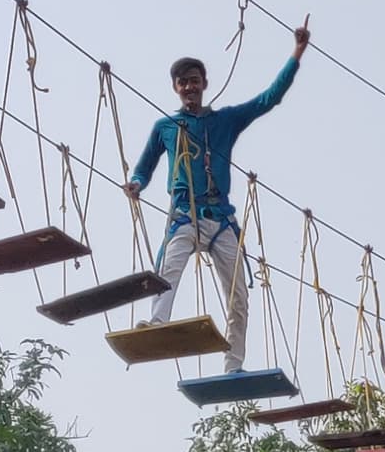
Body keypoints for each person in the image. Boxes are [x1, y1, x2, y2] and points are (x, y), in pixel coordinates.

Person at [123, 27, 307, 371]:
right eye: (183, 83)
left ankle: (233, 363)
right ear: (176, 89)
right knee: (168, 270)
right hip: (184, 215)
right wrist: (136, 184)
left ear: (205, 83)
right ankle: (157, 322)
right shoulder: (166, 126)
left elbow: (269, 98)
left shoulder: (226, 120)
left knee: (238, 295)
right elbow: (144, 167)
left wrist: (296, 53)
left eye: (194, 80)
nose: (189, 87)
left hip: (220, 218)